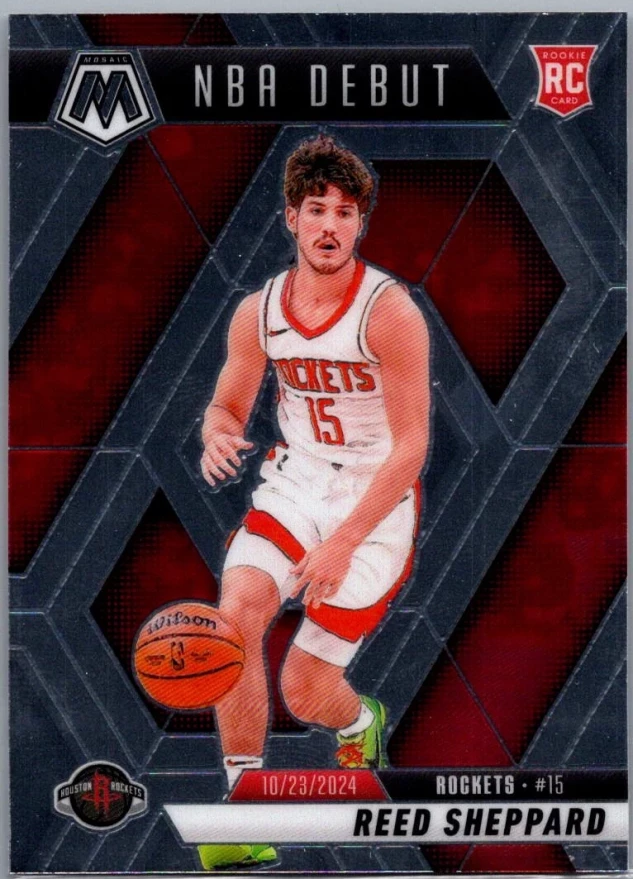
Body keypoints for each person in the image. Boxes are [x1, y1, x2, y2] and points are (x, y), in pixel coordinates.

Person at [198, 135, 431, 870]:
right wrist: (215, 434)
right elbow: (226, 406)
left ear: (359, 223)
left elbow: (411, 447)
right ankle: (241, 808)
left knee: (304, 691)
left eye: (345, 212)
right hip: (296, 483)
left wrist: (342, 543)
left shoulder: (390, 312)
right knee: (236, 614)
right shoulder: (257, 311)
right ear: (291, 219)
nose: (330, 225)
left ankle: (361, 722)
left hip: (375, 499)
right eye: (316, 209)